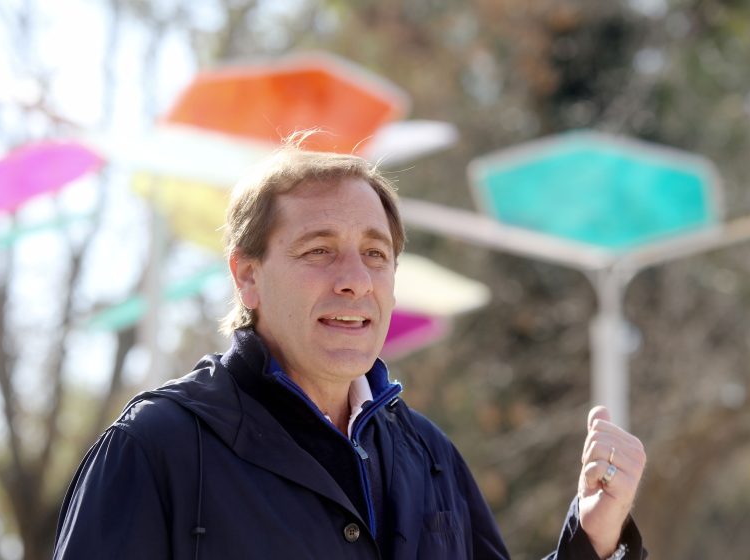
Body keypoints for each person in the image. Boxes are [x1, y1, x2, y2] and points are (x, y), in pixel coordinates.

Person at [53, 137, 647, 559]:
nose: (355, 280)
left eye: (375, 254)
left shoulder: (431, 456)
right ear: (247, 276)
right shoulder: (155, 447)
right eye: (318, 250)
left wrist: (593, 539)